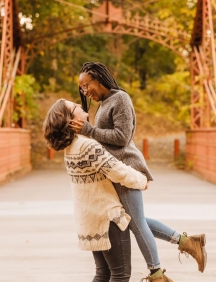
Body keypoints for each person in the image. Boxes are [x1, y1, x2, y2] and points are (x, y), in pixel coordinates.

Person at [70, 62, 207, 281]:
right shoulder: (103, 103)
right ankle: (188, 242)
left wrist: (90, 130)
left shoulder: (120, 99)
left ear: (98, 78)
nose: (85, 92)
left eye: (87, 85)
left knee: (136, 222)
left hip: (127, 168)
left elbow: (122, 138)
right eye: (82, 89)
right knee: (135, 220)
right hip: (116, 171)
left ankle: (157, 273)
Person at [43, 99, 165, 282]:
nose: (79, 104)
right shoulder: (87, 146)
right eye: (75, 107)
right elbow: (117, 171)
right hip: (108, 219)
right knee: (120, 275)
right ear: (71, 120)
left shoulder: (71, 147)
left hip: (90, 219)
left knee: (103, 273)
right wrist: (141, 180)